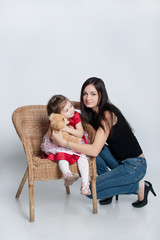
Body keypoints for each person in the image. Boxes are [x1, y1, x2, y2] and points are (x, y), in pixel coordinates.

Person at [51, 77, 156, 208]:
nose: (88, 98)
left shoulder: (107, 115)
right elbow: (78, 104)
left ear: (101, 95)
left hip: (135, 166)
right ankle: (109, 187)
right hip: (118, 160)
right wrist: (60, 107)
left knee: (89, 191)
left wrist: (63, 143)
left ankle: (140, 186)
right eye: (85, 93)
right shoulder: (92, 110)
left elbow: (94, 150)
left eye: (93, 94)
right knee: (93, 147)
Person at [41, 94, 91, 195]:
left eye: (71, 106)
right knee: (61, 156)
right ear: (57, 115)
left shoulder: (76, 116)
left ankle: (85, 185)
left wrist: (66, 129)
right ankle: (67, 175)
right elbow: (51, 136)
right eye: (66, 110)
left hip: (74, 142)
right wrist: (57, 129)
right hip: (60, 145)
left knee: (82, 157)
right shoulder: (56, 120)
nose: (71, 110)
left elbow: (80, 133)